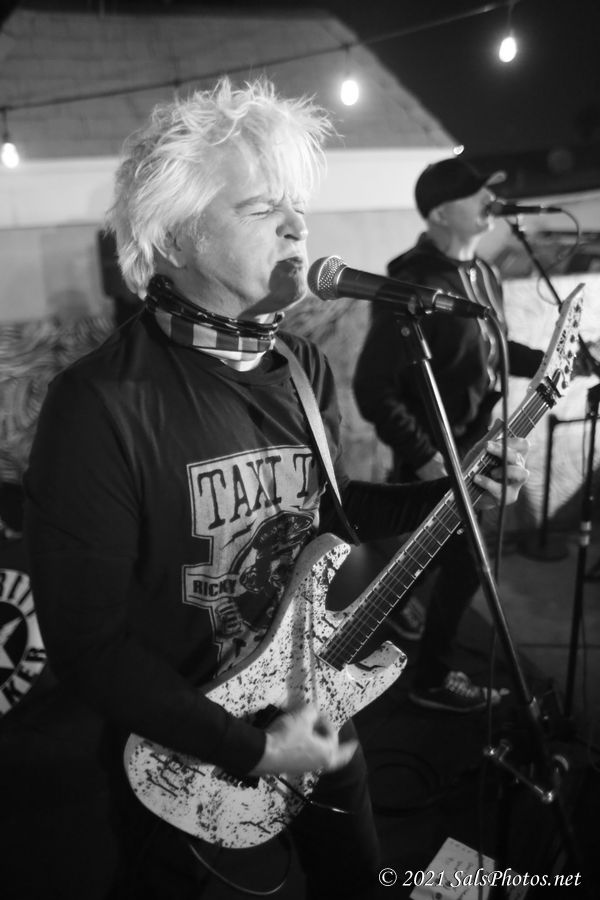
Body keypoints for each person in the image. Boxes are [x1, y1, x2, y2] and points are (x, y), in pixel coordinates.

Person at [24, 85, 529, 899]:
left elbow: (337, 515)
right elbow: (89, 646)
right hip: (185, 759)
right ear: (176, 234)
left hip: (314, 704)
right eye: (263, 209)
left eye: (298, 206)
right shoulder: (101, 404)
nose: (298, 227)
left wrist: (461, 494)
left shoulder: (303, 367)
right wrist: (253, 750)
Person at [353, 157, 545, 715]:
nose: (489, 197)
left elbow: (490, 351)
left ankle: (391, 615)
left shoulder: (482, 272)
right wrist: (425, 458)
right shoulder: (412, 284)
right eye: (475, 192)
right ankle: (431, 679)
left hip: (477, 445)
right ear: (440, 213)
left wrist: (553, 361)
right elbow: (373, 388)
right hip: (437, 453)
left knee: (435, 554)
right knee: (464, 566)